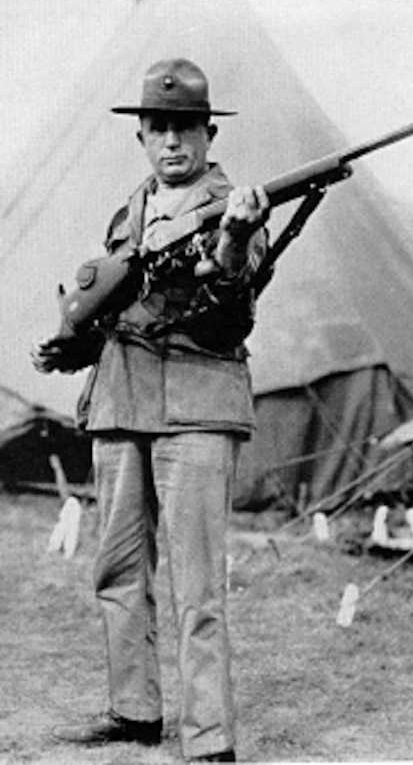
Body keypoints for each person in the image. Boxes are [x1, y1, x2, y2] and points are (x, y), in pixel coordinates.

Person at [31, 57, 270, 763]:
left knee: (198, 584)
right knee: (118, 570)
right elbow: (114, 312)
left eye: (185, 129)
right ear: (140, 135)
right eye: (158, 128)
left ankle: (208, 741)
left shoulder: (238, 207)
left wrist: (229, 241)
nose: (172, 142)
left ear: (207, 134)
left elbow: (231, 316)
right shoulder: (127, 213)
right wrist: (67, 351)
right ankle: (134, 711)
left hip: (197, 406)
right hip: (119, 401)